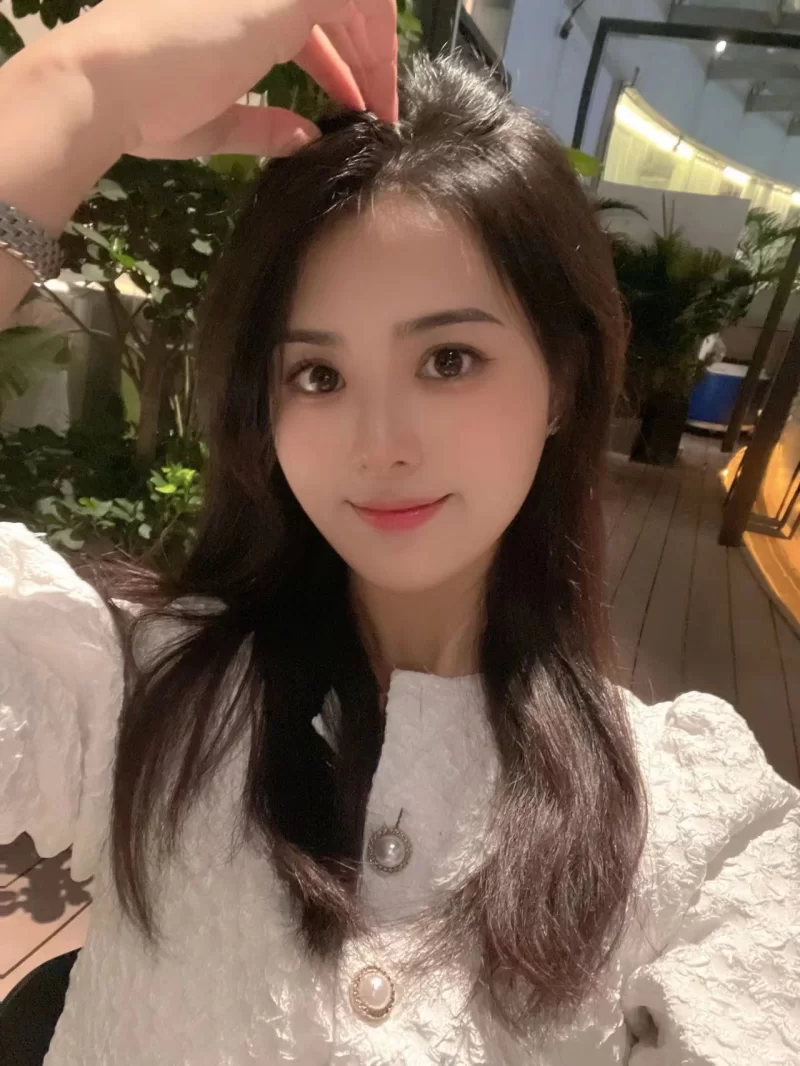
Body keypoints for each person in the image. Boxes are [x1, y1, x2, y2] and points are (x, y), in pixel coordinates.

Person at [0, 2, 798, 1064]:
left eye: (447, 360)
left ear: (561, 381)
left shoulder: (702, 825)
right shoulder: (137, 693)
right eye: (317, 374)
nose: (379, 445)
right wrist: (73, 89)